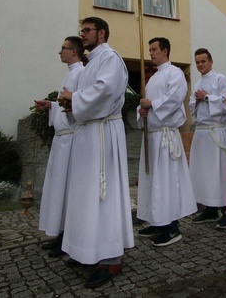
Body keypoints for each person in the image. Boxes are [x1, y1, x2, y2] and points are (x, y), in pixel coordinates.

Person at [57, 17, 134, 289]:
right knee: (85, 195)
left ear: (102, 33)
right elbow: (87, 94)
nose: (83, 35)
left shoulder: (110, 58)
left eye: (87, 31)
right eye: (81, 31)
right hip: (87, 134)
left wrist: (73, 99)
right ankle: (86, 250)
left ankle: (111, 257)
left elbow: (104, 92)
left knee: (104, 195)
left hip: (102, 135)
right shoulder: (92, 63)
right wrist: (70, 103)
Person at [136, 37, 198, 246]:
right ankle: (157, 220)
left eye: (154, 49)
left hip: (165, 136)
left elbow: (175, 98)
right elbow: (146, 104)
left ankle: (172, 227)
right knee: (153, 181)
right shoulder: (153, 78)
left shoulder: (175, 73)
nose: (151, 53)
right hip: (151, 136)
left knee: (166, 181)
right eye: (150, 49)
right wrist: (142, 110)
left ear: (165, 50)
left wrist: (152, 104)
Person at [33, 36, 85, 258]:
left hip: (72, 140)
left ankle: (67, 236)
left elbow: (81, 102)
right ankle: (60, 233)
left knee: (67, 190)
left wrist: (65, 102)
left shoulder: (82, 73)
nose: (59, 52)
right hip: (61, 140)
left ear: (74, 51)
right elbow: (67, 103)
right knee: (58, 189)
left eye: (63, 48)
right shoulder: (70, 73)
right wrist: (52, 105)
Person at [188, 48, 226, 229]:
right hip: (202, 133)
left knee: (221, 172)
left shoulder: (220, 79)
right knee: (204, 173)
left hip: (217, 131)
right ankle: (210, 208)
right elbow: (192, 104)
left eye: (203, 61)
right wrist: (198, 100)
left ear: (211, 61)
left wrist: (206, 97)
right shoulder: (199, 81)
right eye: (197, 62)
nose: (200, 65)